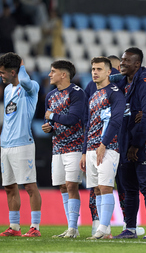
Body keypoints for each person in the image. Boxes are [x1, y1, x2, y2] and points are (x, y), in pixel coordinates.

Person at [112, 47, 146, 239]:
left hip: (143, 144)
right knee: (129, 189)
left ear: (137, 64)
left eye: (126, 61)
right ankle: (130, 228)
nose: (122, 63)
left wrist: (136, 144)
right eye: (122, 60)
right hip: (124, 143)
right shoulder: (123, 84)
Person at [80, 56, 125, 239]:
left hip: (108, 147)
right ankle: (104, 231)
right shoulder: (93, 94)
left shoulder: (115, 93)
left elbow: (116, 121)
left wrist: (104, 144)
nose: (95, 72)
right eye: (93, 69)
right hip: (91, 148)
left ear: (109, 72)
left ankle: (104, 228)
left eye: (99, 69)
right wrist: (84, 151)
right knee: (97, 189)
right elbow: (89, 124)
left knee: (106, 187)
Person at [41, 60, 85, 238]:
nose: (49, 75)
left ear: (63, 74)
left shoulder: (77, 93)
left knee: (71, 185)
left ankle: (74, 229)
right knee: (62, 186)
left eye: (53, 71)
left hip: (74, 146)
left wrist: (52, 116)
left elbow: (73, 118)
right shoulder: (50, 96)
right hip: (57, 147)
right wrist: (48, 127)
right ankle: (69, 227)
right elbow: (50, 122)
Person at [0, 52, 42, 237]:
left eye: (3, 72)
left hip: (23, 143)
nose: (0, 75)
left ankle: (35, 227)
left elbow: (24, 80)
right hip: (5, 145)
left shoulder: (31, 87)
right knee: (10, 186)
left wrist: (22, 66)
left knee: (30, 186)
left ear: (13, 72)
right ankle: (14, 226)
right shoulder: (8, 89)